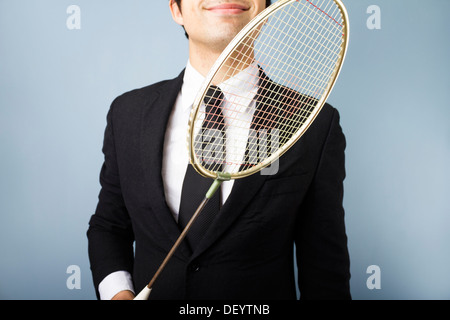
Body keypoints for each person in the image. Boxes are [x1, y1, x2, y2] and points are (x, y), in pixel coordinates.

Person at [87, 0, 351, 300]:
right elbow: (109, 226)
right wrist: (118, 294)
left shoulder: (313, 123)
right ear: (177, 10)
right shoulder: (128, 114)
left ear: (265, 9)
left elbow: (325, 272)